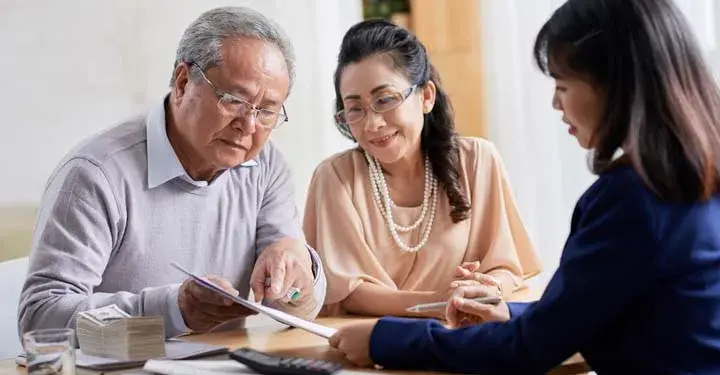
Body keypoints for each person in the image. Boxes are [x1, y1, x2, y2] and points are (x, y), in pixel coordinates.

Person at [329, 0, 720, 373]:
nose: (554, 102)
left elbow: (528, 348)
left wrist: (387, 339)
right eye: (355, 108)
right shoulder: (689, 179)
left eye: (563, 85)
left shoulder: (634, 199)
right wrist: (509, 313)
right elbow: (577, 314)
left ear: (614, 83)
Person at [18, 6, 326, 338]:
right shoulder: (96, 175)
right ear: (182, 83)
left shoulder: (265, 166)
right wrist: (172, 310)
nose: (248, 126)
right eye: (234, 100)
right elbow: (41, 320)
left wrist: (299, 272)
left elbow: (293, 310)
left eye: (267, 111)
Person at [302, 19, 542, 319]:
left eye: (384, 100)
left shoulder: (477, 160)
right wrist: (440, 303)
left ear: (426, 96)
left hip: (463, 338)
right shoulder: (335, 178)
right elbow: (349, 293)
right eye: (354, 109)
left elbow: (506, 267)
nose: (372, 123)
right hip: (370, 344)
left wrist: (484, 290)